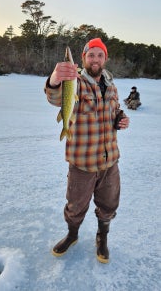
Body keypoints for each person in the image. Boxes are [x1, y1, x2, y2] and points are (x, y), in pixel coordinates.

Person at [44, 38, 130, 263]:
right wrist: (55, 79)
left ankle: (102, 237)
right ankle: (72, 235)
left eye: (99, 55)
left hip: (110, 162)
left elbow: (114, 110)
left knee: (109, 204)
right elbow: (56, 97)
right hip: (82, 162)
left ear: (105, 58)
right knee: (75, 206)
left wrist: (119, 119)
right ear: (83, 59)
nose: (95, 59)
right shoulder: (77, 81)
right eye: (91, 55)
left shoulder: (111, 84)